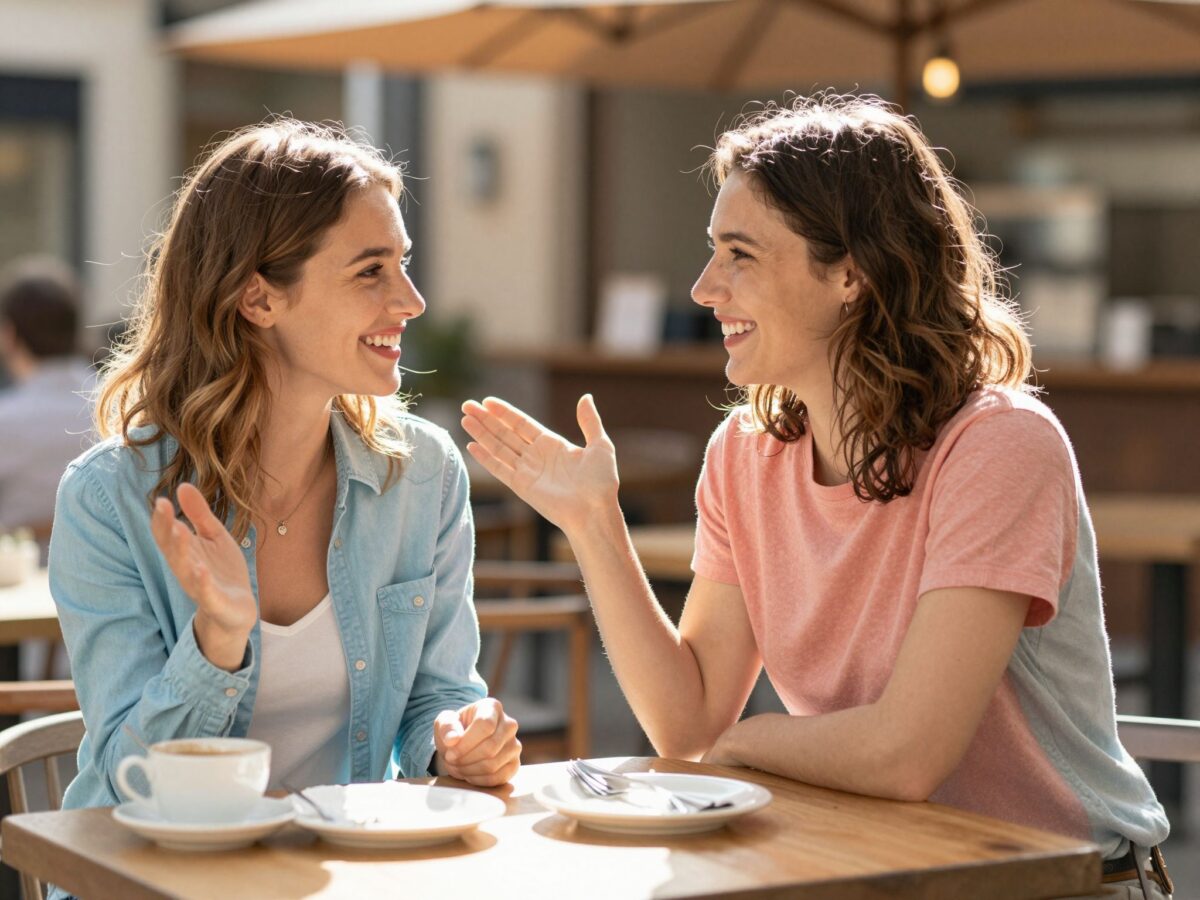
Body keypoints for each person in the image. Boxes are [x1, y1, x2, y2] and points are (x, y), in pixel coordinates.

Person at [462, 94, 1172, 899]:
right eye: (712, 252)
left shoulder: (998, 446)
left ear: (850, 274)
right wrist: (594, 524)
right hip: (874, 868)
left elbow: (905, 754)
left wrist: (750, 743)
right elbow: (689, 723)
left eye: (739, 256)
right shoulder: (745, 454)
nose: (703, 288)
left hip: (1062, 883)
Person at [50, 120, 521, 827]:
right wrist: (217, 640)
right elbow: (130, 783)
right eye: (371, 271)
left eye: (403, 262)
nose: (411, 300)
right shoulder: (108, 498)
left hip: (344, 862)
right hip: (159, 869)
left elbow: (441, 694)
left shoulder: (422, 475)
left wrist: (459, 742)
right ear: (260, 299)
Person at [0, 257, 94, 537]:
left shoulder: (7, 418)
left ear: (9, 334)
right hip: (113, 561)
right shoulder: (120, 404)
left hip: (23, 561)